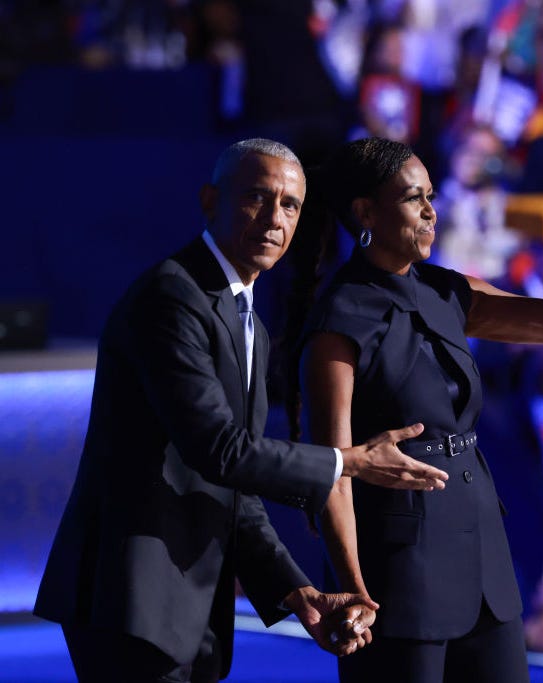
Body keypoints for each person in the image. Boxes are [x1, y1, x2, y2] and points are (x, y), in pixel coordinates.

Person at [32, 138, 450, 683]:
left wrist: (296, 592)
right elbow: (219, 450)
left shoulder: (249, 321)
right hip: (128, 598)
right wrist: (347, 462)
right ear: (210, 201)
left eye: (291, 205)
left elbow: (237, 490)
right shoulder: (172, 298)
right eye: (258, 197)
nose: (275, 218)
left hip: (185, 605)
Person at [292, 109, 543, 682]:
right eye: (413, 198)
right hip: (396, 581)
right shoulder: (338, 322)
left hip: (485, 571)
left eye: (432, 196)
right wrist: (354, 590)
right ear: (366, 213)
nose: (430, 211)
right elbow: (332, 474)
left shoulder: (449, 290)